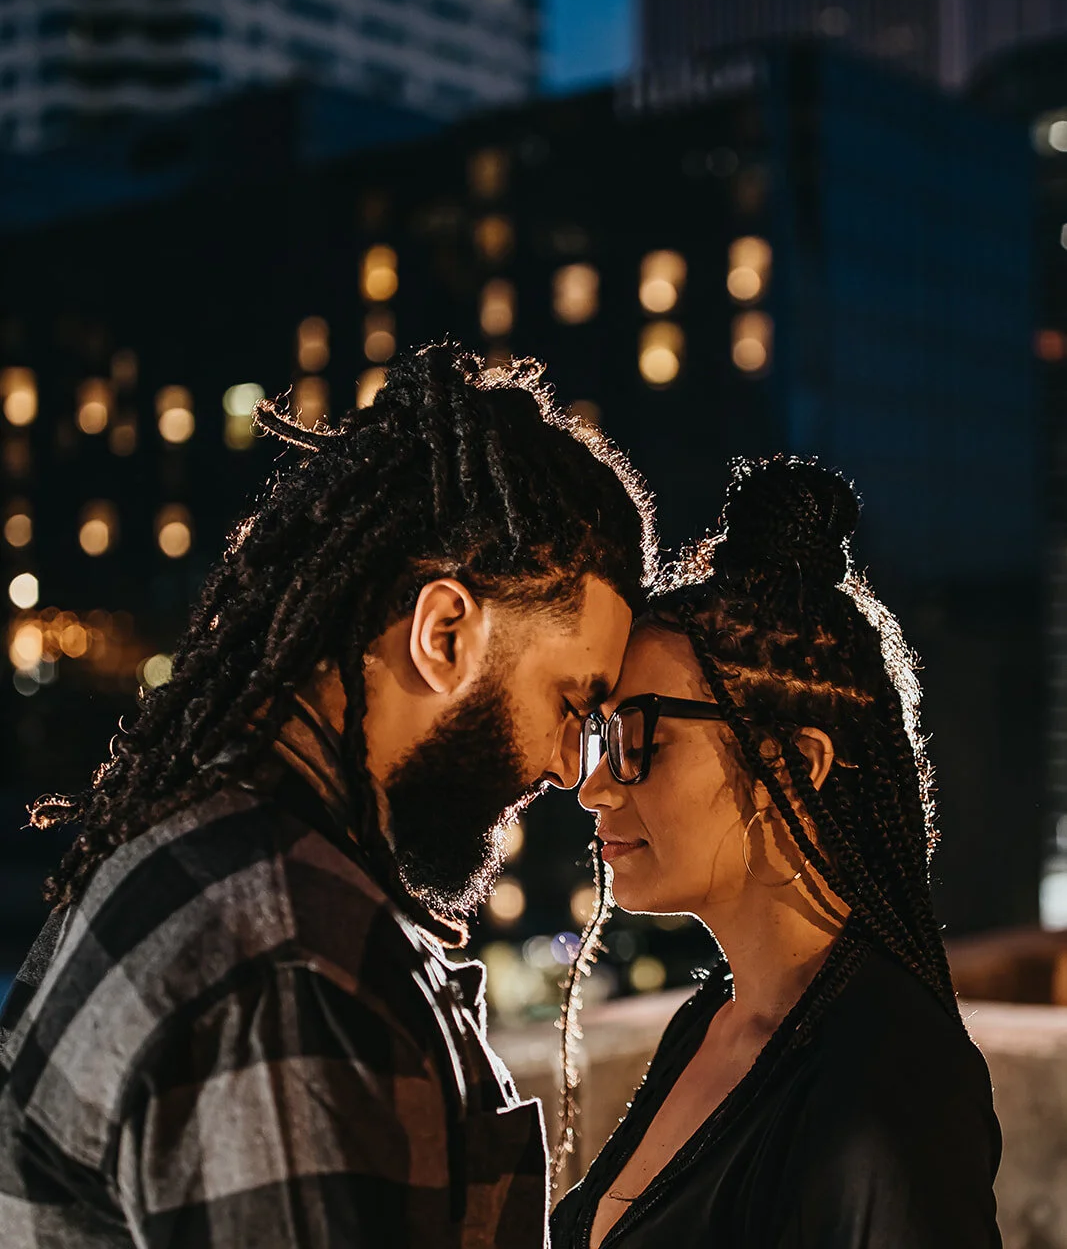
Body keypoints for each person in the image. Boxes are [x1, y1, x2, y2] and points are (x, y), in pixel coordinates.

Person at [0, 342, 654, 1249]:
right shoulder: (284, 963)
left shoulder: (231, 873)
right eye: (567, 702)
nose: (562, 766)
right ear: (445, 632)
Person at [551, 456, 1001, 1249]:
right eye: (600, 737)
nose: (594, 789)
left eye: (635, 739)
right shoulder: (710, 1025)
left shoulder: (889, 1076)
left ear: (794, 769)